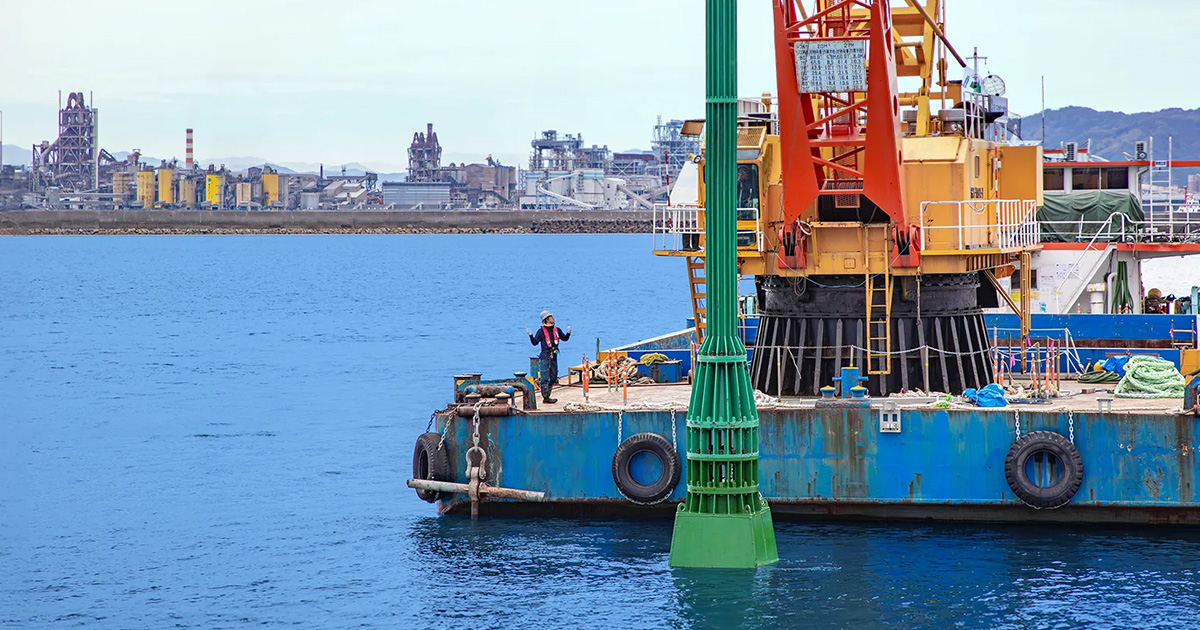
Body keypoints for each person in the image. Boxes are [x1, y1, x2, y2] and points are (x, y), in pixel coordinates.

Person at [527, 311, 571, 404]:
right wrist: (530, 336)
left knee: (554, 376)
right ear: (546, 319)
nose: (553, 318)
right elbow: (535, 343)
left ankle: (548, 392)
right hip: (545, 356)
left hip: (553, 356)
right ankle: (546, 397)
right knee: (544, 377)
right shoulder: (541, 332)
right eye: (550, 317)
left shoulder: (557, 330)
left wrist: (568, 333)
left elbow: (564, 338)